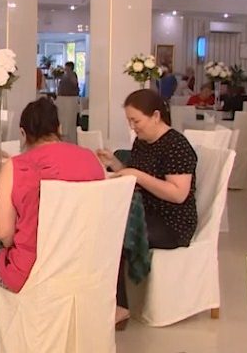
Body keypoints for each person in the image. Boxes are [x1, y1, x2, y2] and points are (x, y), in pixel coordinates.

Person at [0, 97, 105, 294]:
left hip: (33, 272)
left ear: (23, 133)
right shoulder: (90, 159)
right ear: (59, 128)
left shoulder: (15, 166)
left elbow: (4, 234)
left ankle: (20, 310)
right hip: (87, 265)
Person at [96, 89, 197, 330]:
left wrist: (137, 175)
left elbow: (178, 194)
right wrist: (114, 164)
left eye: (136, 121)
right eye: (129, 121)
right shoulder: (142, 142)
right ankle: (110, 301)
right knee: (102, 228)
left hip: (172, 223)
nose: (133, 127)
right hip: (145, 213)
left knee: (114, 235)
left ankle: (120, 307)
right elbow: (137, 173)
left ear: (156, 116)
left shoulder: (176, 145)